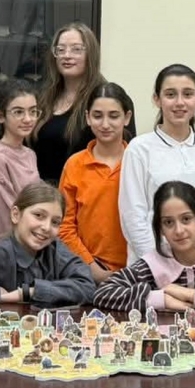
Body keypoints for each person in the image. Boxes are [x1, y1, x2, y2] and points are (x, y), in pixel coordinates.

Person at [95, 181, 195, 322]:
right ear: (160, 228)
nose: (179, 230)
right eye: (168, 222)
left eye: (186, 219)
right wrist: (161, 299)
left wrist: (189, 294)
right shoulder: (153, 263)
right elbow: (103, 293)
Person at [119, 64, 195, 262]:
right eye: (170, 94)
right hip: (152, 266)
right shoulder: (139, 149)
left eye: (188, 94)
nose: (179, 102)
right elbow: (133, 216)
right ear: (157, 99)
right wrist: (160, 264)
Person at [59, 82, 134, 283]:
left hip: (135, 269)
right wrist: (92, 268)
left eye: (114, 116)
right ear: (87, 118)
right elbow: (65, 227)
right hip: (85, 272)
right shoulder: (74, 165)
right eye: (98, 116)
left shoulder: (138, 162)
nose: (105, 124)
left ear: (127, 118)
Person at [32, 23, 105, 183]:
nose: (67, 55)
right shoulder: (44, 97)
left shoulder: (105, 99)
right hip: (44, 193)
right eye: (61, 49)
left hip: (84, 192)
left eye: (76, 49)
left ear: (91, 54)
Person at [0, 79, 41, 244]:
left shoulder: (30, 154)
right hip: (9, 247)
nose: (28, 119)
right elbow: (6, 215)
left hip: (33, 241)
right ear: (0, 116)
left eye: (33, 111)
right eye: (18, 112)